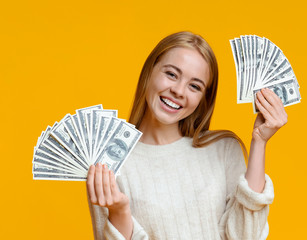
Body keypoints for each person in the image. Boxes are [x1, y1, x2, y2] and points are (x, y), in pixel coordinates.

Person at [86, 31, 288, 240]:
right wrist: (119, 212)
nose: (179, 91)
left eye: (194, 86)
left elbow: (248, 237)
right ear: (149, 71)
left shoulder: (224, 149)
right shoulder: (110, 165)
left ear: (203, 99)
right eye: (171, 74)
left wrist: (260, 142)